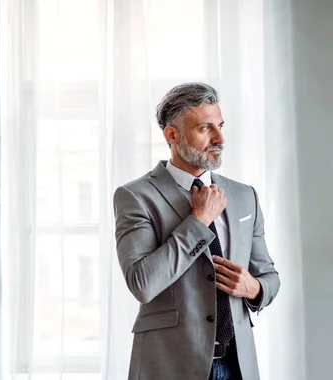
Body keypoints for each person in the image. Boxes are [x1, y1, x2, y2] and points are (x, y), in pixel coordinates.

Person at [112, 82, 280, 380]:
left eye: (220, 126)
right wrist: (198, 221)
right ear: (172, 135)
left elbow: (268, 275)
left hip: (238, 365)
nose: (219, 138)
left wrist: (254, 288)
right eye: (205, 128)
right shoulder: (135, 196)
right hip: (170, 365)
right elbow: (142, 283)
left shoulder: (245, 196)